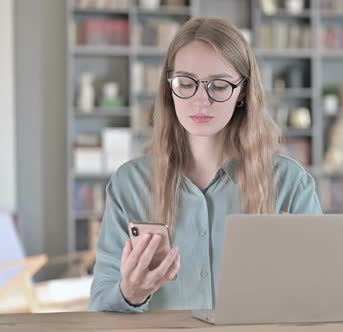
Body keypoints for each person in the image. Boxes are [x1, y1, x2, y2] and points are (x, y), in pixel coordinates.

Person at [89, 17, 322, 312]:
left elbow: (320, 304)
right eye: (186, 83)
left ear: (242, 93)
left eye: (220, 85)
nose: (201, 100)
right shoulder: (129, 185)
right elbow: (100, 308)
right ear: (169, 89)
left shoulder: (290, 183)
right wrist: (130, 294)